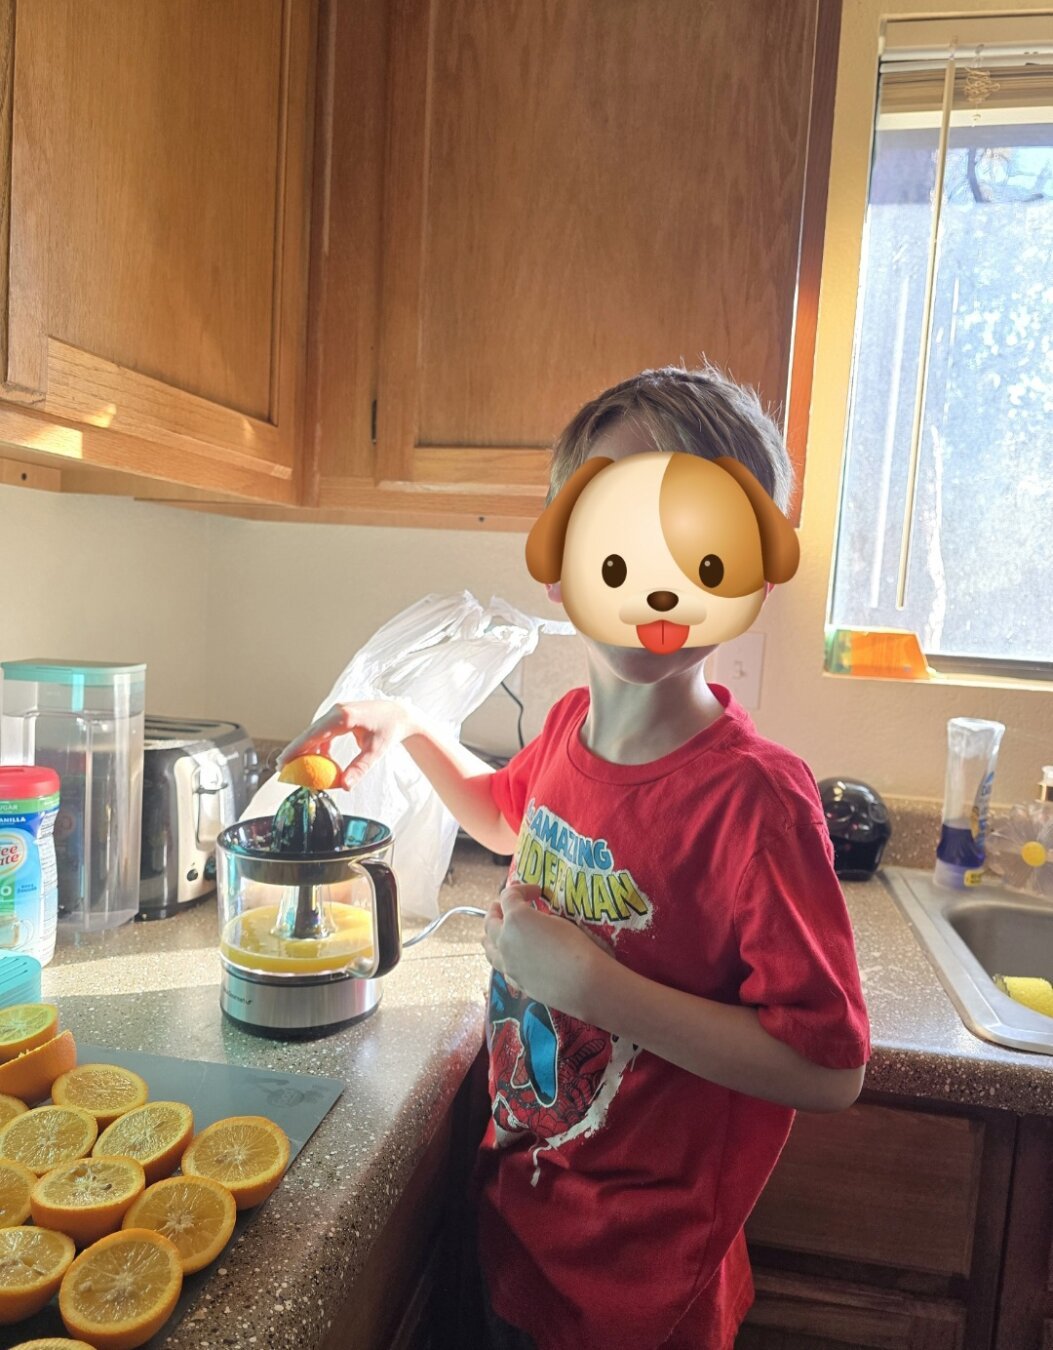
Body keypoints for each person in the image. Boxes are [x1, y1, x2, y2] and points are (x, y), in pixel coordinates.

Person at [278, 365, 871, 1350]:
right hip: (522, 1217)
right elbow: (509, 821)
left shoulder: (752, 799)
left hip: (641, 1290)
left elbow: (829, 1067)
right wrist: (416, 728)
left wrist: (600, 989)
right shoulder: (569, 729)